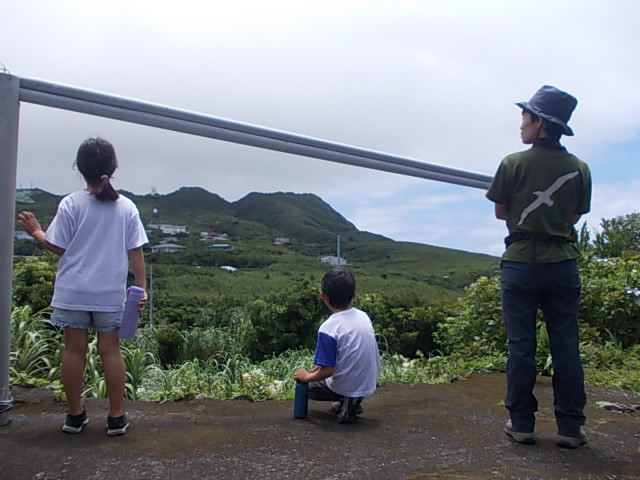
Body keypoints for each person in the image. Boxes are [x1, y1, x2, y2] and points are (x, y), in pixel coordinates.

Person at [18, 137, 148, 437]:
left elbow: (57, 247)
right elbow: (136, 252)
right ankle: (116, 418)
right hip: (108, 295)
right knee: (110, 351)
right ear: (113, 168)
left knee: (73, 351)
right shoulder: (126, 207)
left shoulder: (71, 204)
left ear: (79, 168)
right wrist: (140, 290)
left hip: (73, 292)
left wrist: (36, 231)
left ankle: (75, 416)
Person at [486, 85, 592, 448]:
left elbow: (501, 211)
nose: (521, 124)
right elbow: (575, 215)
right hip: (563, 264)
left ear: (540, 123)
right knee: (566, 345)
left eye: (524, 116)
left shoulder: (513, 164)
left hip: (520, 264)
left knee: (521, 346)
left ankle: (522, 423)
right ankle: (570, 427)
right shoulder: (579, 169)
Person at [293, 269, 380, 423]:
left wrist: (306, 377)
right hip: (368, 382)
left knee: (310, 387)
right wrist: (313, 371)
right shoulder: (363, 316)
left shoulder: (329, 328)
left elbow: (328, 370)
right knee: (331, 373)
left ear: (323, 297)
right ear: (353, 295)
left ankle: (346, 401)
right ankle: (351, 401)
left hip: (347, 384)